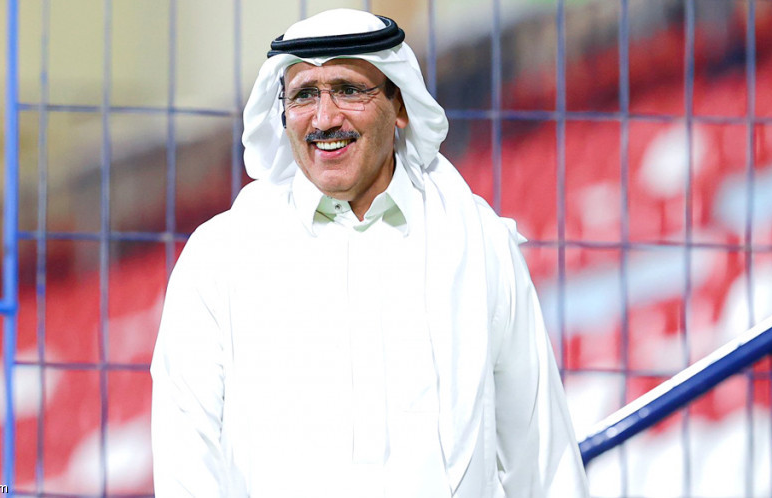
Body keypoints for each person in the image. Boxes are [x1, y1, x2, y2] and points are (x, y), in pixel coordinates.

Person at [150, 8, 588, 497]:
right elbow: (186, 464)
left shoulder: (476, 240)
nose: (325, 118)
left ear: (399, 104)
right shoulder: (220, 258)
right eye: (304, 95)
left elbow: (542, 457)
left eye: (348, 90)